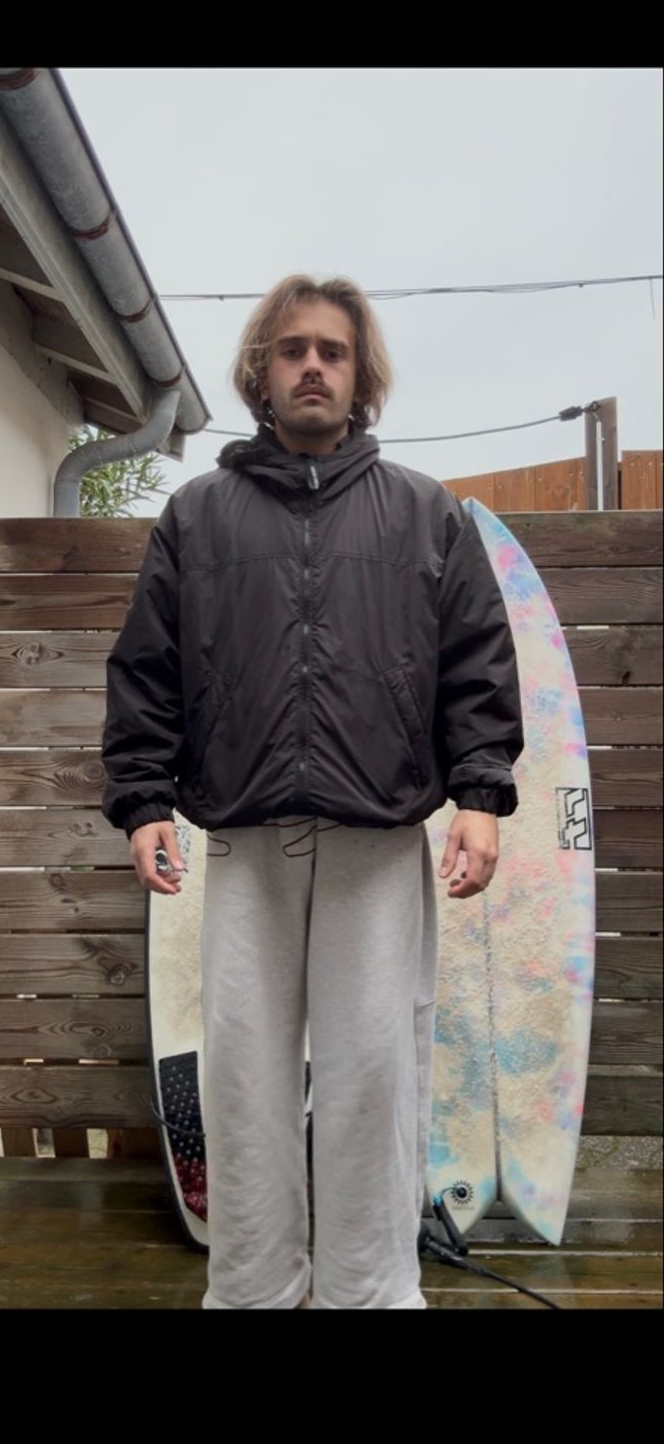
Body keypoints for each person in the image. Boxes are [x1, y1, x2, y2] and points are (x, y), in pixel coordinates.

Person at [101, 274, 524, 1309]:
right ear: (261, 370)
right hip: (245, 842)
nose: (312, 367)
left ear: (359, 373)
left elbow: (476, 662)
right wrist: (142, 800)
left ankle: (367, 1290)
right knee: (242, 1075)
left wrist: (480, 795)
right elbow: (148, 668)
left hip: (377, 840)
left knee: (372, 1075)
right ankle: (252, 1287)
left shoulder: (424, 514)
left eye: (332, 350)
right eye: (292, 349)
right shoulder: (199, 517)